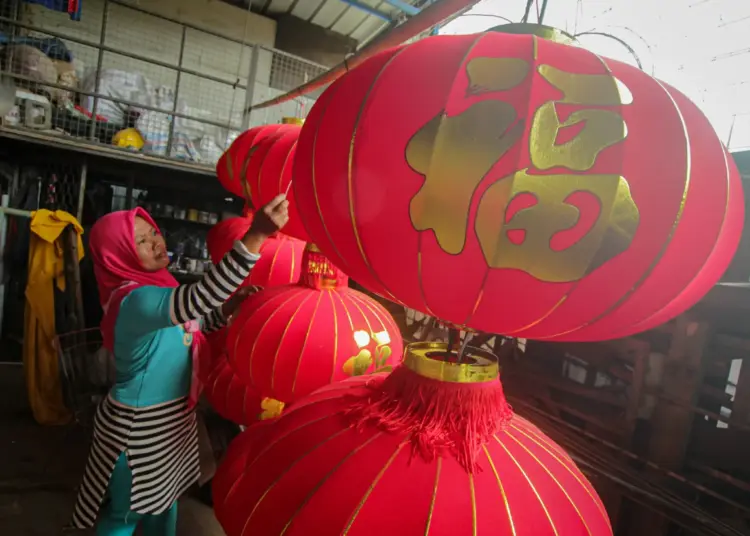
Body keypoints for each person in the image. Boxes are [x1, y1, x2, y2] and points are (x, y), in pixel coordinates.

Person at [69, 195, 289, 536]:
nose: (155, 242)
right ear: (118, 254)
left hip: (170, 424)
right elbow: (199, 299)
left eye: (152, 232)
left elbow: (192, 323)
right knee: (125, 516)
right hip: (138, 431)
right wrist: (257, 235)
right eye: (139, 241)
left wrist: (229, 309)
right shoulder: (135, 299)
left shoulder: (159, 288)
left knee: (164, 506)